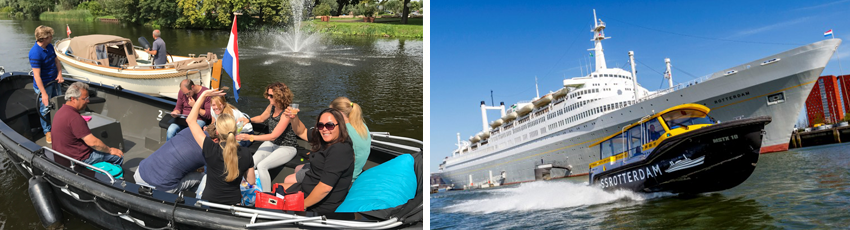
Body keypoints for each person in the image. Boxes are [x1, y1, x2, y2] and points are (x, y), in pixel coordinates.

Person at [282, 108, 354, 218]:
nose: (324, 129)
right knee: (276, 190)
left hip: (319, 205)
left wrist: (302, 205)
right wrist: (294, 118)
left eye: (330, 125)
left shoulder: (340, 150)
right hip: (305, 190)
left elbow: (325, 188)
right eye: (321, 125)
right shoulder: (323, 137)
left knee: (270, 205)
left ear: (340, 125)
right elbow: (302, 132)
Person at [188, 89, 255, 205]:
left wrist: (204, 95)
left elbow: (190, 120)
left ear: (217, 132)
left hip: (209, 202)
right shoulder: (246, 153)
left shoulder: (210, 148)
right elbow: (251, 181)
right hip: (234, 204)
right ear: (235, 130)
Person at [288, 97, 371, 182]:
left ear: (339, 113)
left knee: (288, 179)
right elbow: (304, 132)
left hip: (339, 178)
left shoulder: (339, 132)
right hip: (354, 174)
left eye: (331, 112)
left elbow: (303, 133)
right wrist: (294, 117)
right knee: (299, 168)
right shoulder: (362, 127)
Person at [236, 82, 299, 193]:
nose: (268, 98)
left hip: (287, 147)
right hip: (272, 144)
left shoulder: (287, 113)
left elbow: (273, 136)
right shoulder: (272, 107)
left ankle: (266, 195)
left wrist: (250, 137)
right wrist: (248, 120)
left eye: (270, 96)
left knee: (262, 166)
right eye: (268, 95)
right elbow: (261, 118)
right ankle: (243, 189)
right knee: (252, 162)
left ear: (279, 96)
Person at [52, 82, 123, 166]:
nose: (88, 101)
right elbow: (93, 143)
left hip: (63, 156)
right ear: (73, 99)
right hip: (79, 159)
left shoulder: (60, 111)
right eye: (85, 99)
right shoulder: (75, 118)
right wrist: (110, 150)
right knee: (118, 156)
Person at [134, 129, 206, 194]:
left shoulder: (188, 130)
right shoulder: (209, 150)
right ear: (215, 140)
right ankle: (198, 201)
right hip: (161, 188)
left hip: (139, 174)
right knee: (204, 177)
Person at [30, 25, 65, 144]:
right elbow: (37, 76)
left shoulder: (49, 46)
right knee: (45, 108)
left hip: (55, 81)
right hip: (44, 86)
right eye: (50, 36)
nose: (52, 37)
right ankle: (47, 131)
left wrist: (60, 74)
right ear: (44, 38)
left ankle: (60, 125)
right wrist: (43, 94)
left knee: (59, 103)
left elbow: (56, 61)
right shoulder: (35, 53)